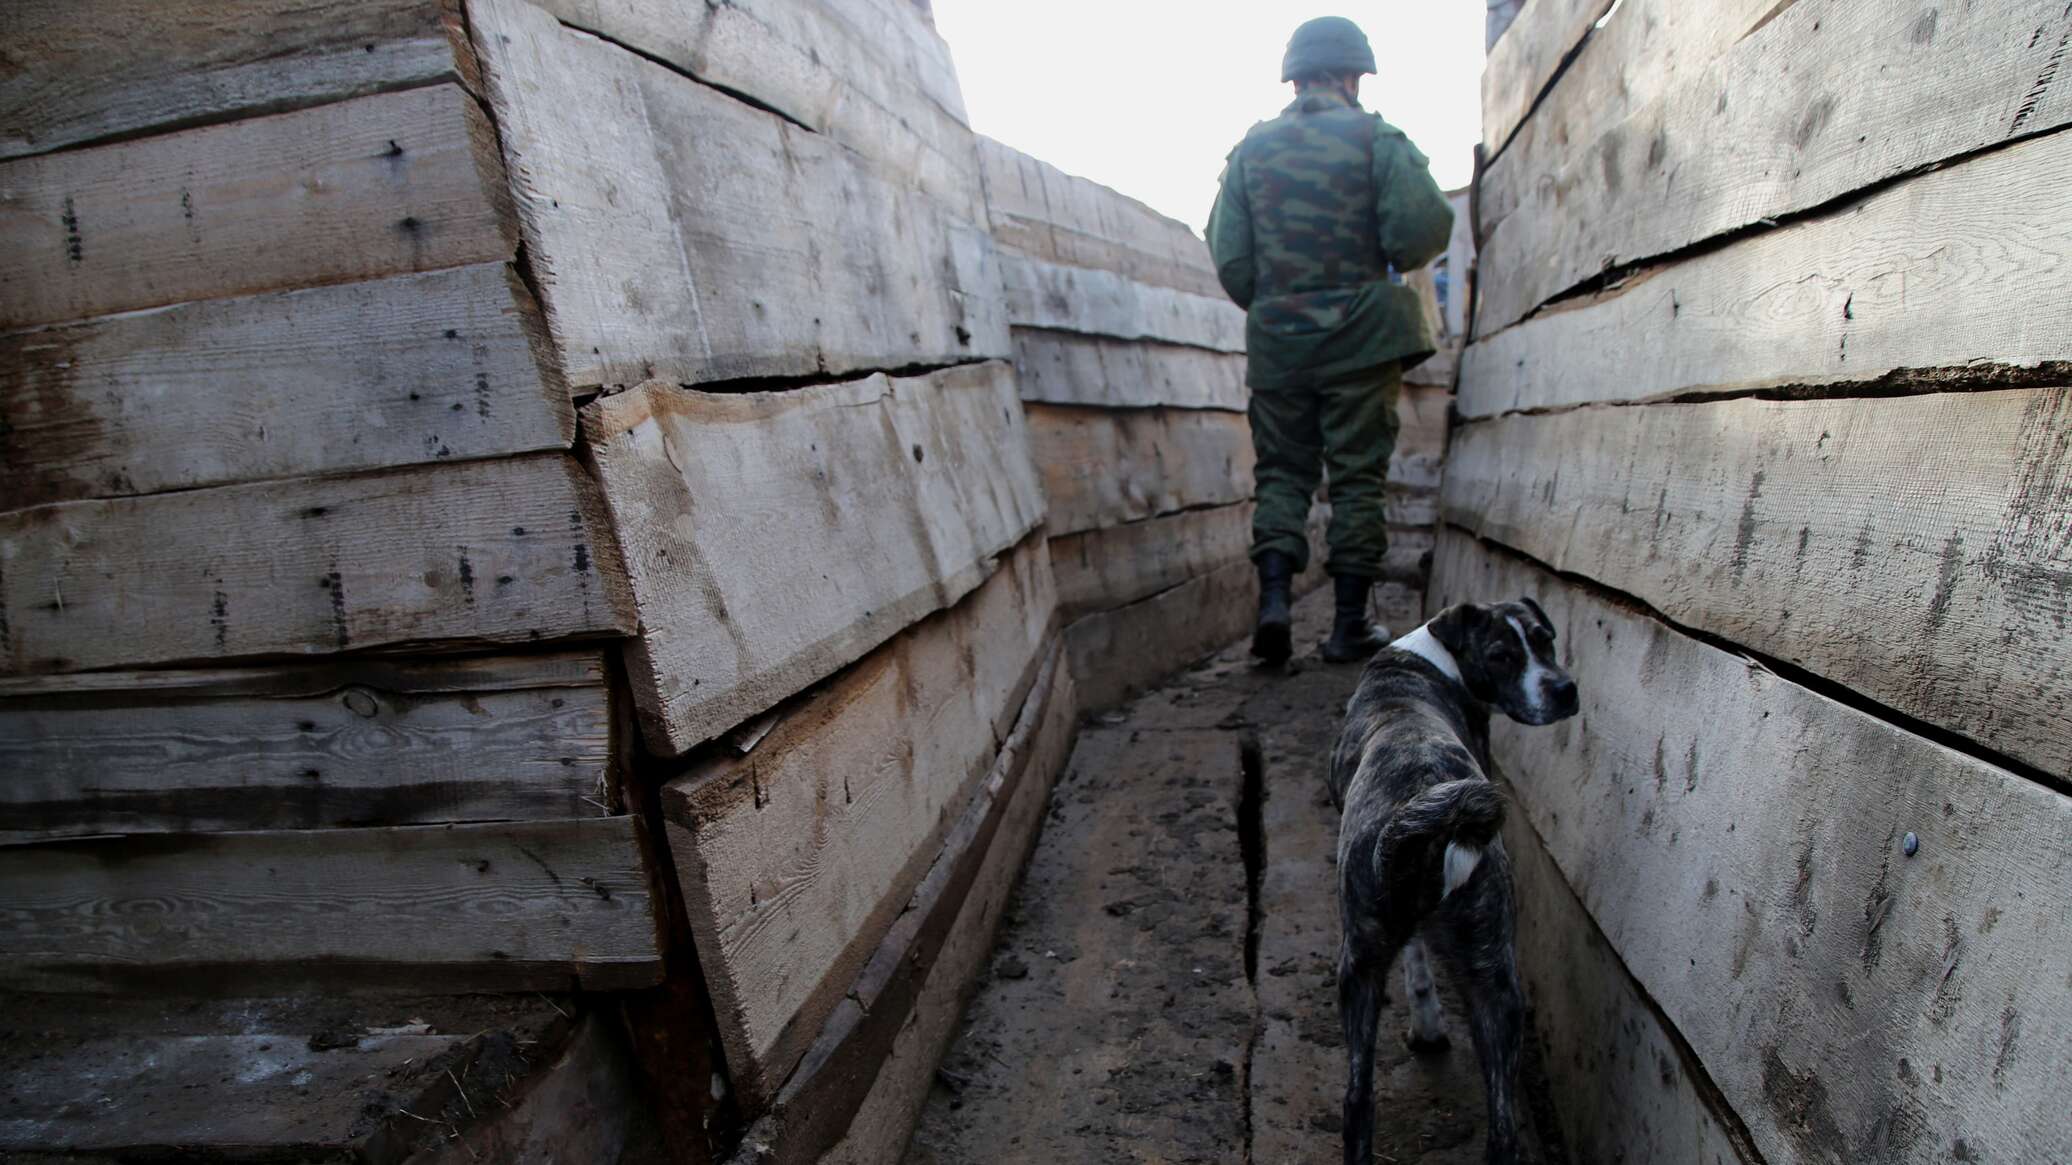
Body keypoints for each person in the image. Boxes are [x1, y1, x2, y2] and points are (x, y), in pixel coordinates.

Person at [1207, 16, 1454, 665]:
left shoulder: (1251, 151)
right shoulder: (1377, 139)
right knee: (1356, 481)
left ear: (1294, 78)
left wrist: (1282, 305)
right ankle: (1348, 626)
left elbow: (1232, 260)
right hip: (1362, 344)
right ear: (1354, 75)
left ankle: (1275, 606)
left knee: (1282, 473)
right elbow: (1422, 232)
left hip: (1280, 347)